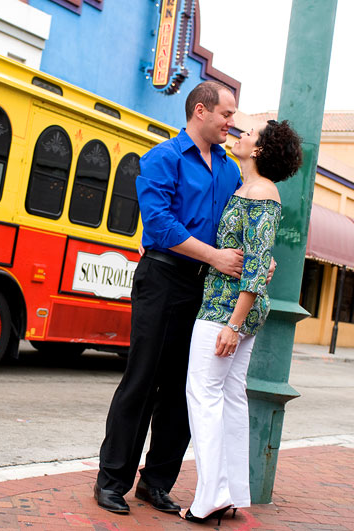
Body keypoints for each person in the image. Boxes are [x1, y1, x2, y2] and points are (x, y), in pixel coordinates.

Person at [94, 81, 246, 515]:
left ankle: (156, 483)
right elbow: (159, 225)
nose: (231, 123)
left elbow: (235, 227)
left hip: (206, 286)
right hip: (162, 279)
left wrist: (253, 261)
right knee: (141, 381)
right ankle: (111, 482)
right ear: (201, 111)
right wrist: (215, 255)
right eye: (226, 114)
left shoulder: (230, 169)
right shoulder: (161, 158)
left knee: (186, 388)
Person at [182, 119, 302, 524]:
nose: (241, 134)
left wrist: (233, 324)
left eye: (250, 132)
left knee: (203, 395)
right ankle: (230, 491)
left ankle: (211, 496)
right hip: (233, 307)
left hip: (224, 309)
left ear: (261, 149)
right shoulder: (247, 188)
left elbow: (253, 267)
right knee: (230, 397)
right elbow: (259, 255)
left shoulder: (262, 193)